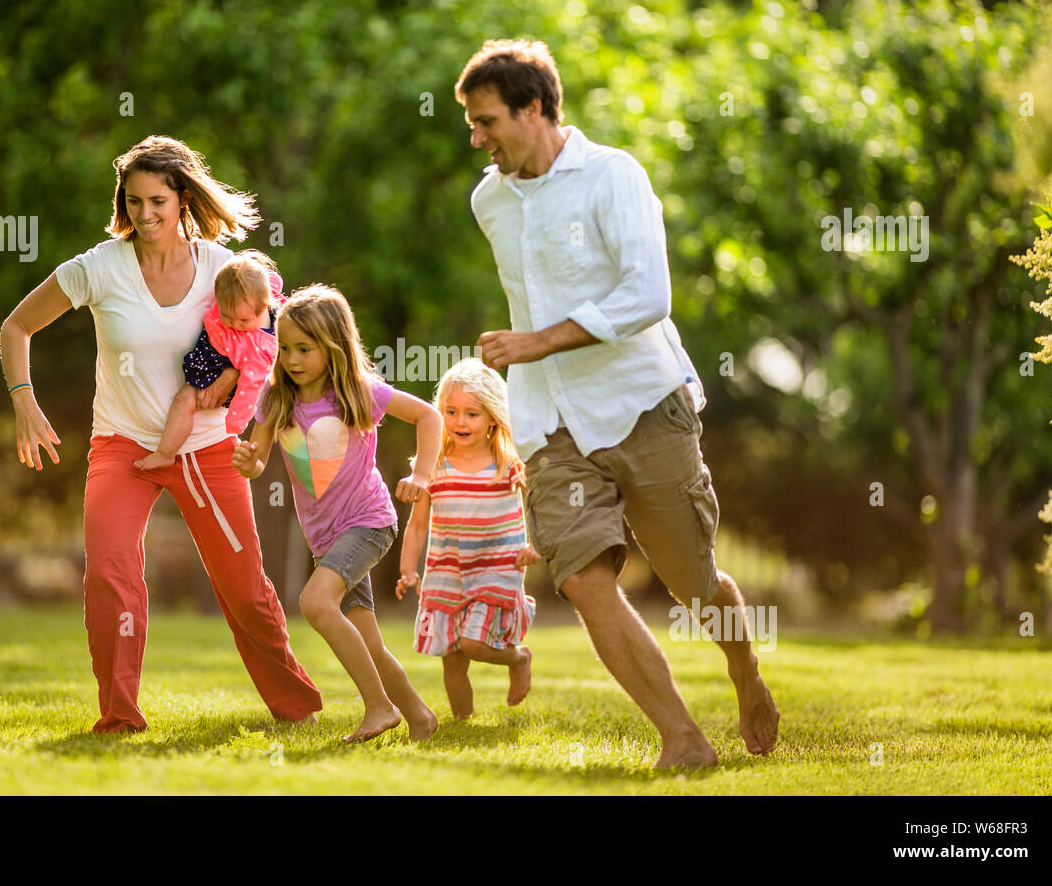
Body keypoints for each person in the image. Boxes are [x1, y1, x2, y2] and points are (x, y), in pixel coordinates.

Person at [456, 39, 780, 768]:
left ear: (533, 107)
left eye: (485, 121)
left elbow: (647, 295)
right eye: (471, 124)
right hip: (552, 422)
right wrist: (525, 355)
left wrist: (538, 341)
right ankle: (683, 739)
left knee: (693, 584)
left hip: (642, 402)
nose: (476, 138)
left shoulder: (613, 176)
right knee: (581, 577)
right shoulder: (489, 200)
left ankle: (744, 669)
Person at [0, 135, 321, 733]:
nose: (145, 214)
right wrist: (24, 401)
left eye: (158, 201)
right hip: (121, 446)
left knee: (244, 585)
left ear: (184, 201)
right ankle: (119, 716)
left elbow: (275, 351)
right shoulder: (100, 267)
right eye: (134, 200)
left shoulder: (228, 270)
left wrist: (264, 435)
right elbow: (16, 327)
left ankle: (296, 707)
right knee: (110, 573)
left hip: (206, 449)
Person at [231, 284, 441, 744]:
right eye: (285, 347)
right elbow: (259, 459)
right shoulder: (275, 399)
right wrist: (250, 463)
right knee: (370, 645)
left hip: (369, 522)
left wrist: (422, 476)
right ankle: (421, 718)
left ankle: (379, 709)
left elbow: (429, 417)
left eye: (304, 349)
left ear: (334, 348)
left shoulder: (358, 393)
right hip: (324, 538)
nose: (291, 358)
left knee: (314, 602)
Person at [395, 357, 538, 719]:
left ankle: (518, 657)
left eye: (472, 414)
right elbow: (417, 524)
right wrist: (408, 569)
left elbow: (541, 503)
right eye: (451, 411)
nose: (460, 422)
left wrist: (536, 544)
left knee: (474, 643)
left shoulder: (509, 464)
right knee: (453, 664)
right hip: (447, 572)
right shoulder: (433, 464)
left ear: (492, 416)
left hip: (497, 567)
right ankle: (463, 721)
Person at [135, 249, 283, 471]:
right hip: (214, 354)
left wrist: (235, 423)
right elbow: (269, 280)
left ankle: (165, 453)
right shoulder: (256, 293)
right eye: (227, 316)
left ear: (263, 307)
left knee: (183, 402)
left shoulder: (258, 348)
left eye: (243, 320)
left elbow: (249, 389)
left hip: (218, 368)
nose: (234, 324)